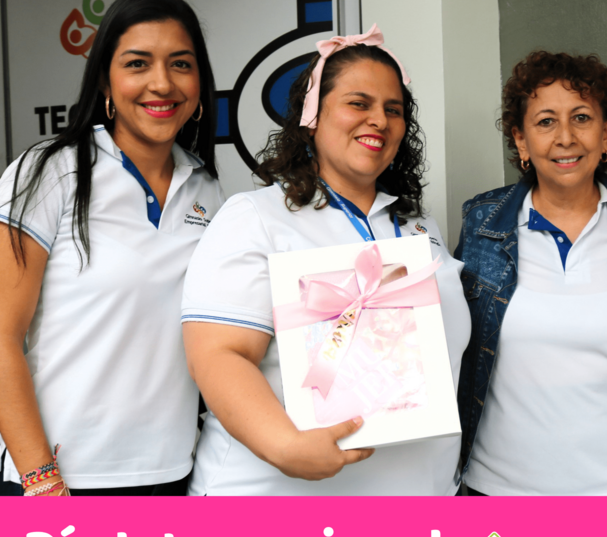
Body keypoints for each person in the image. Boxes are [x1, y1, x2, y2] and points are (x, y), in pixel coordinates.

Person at [182, 25, 470, 495]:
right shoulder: (255, 218)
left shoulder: (418, 226)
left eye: (393, 109)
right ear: (312, 116)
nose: (379, 120)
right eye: (359, 103)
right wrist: (284, 446)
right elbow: (218, 355)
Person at [0, 0, 224, 497]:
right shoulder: (49, 171)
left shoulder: (207, 189)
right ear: (106, 81)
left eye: (181, 64)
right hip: (61, 479)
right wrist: (42, 481)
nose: (162, 83)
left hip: (172, 471)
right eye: (137, 63)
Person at [455, 51, 607, 496]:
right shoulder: (482, 224)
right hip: (498, 493)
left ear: (606, 132)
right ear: (520, 140)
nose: (565, 137)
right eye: (546, 122)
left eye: (581, 118)